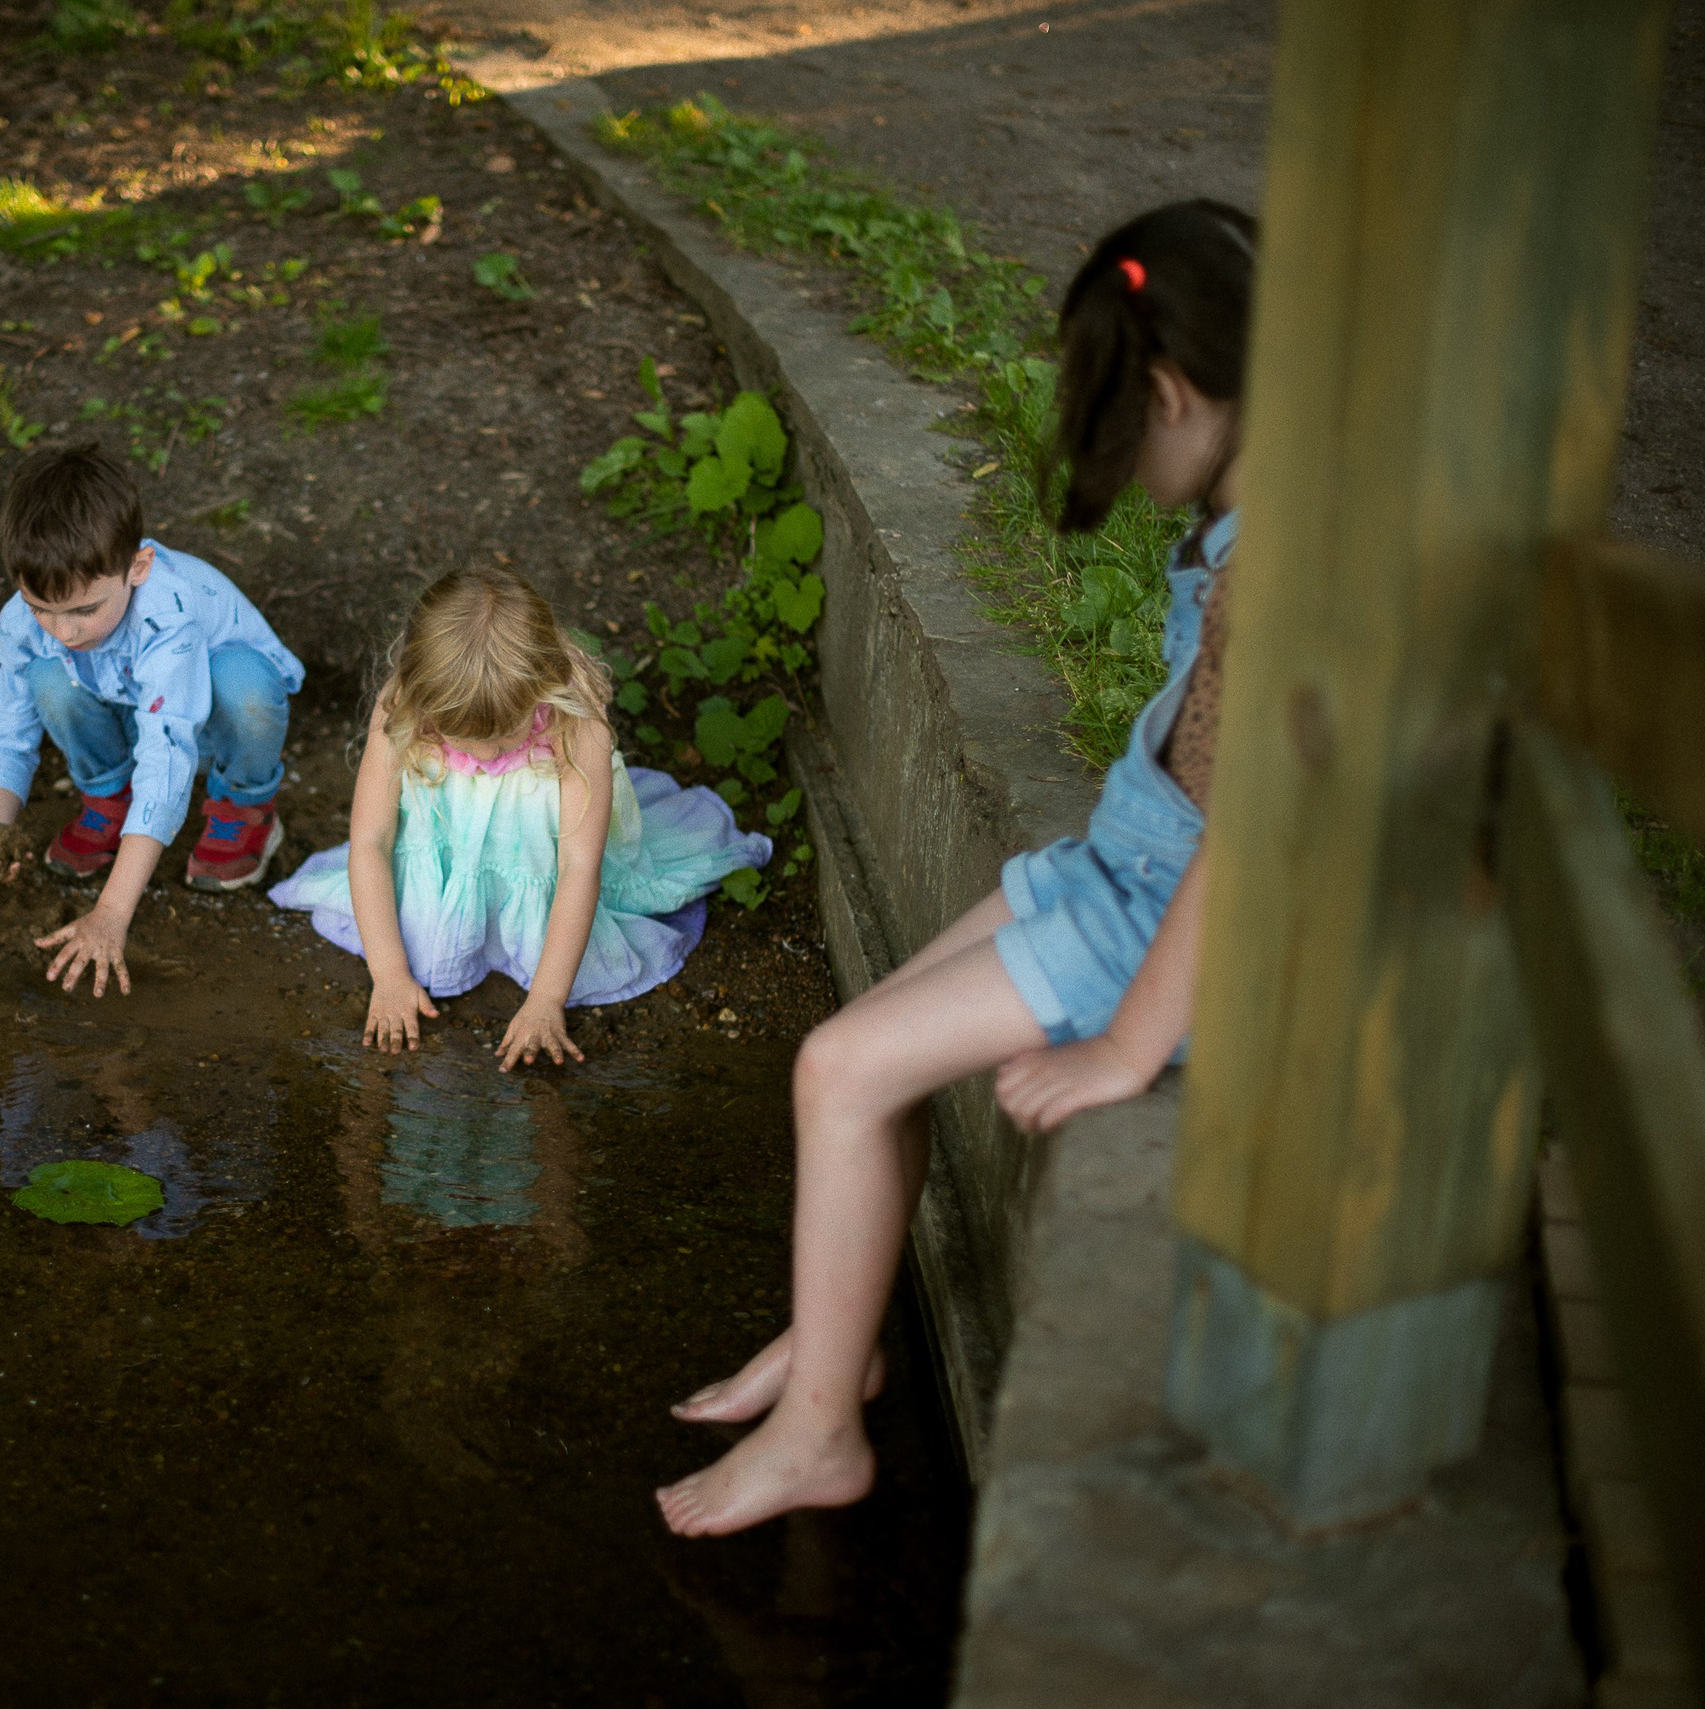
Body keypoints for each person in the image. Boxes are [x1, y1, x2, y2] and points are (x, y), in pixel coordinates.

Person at [656, 199, 1259, 1536]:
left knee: (840, 1072)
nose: (1121, 461)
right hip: (1124, 868)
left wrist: (1125, 1051)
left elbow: (1257, 838)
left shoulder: (1278, 576)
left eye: (1116, 424)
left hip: (1162, 922)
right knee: (856, 1042)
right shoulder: (1272, 510)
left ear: (1168, 390)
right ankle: (835, 1348)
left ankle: (821, 1434)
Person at [268, 566, 770, 1072]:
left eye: (504, 737)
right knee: (406, 940)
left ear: (543, 684)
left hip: (540, 861)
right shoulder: (404, 706)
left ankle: (523, 933)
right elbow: (371, 840)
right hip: (448, 856)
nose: (486, 754)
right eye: (462, 737)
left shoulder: (575, 726)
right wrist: (391, 974)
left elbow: (578, 867)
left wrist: (547, 1000)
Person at [0, 442, 304, 996]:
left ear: (138, 566)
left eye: (83, 609)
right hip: (127, 697)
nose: (64, 630)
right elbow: (10, 729)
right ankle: (109, 798)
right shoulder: (28, 625)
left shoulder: (166, 613)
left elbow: (166, 750)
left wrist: (112, 913)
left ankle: (244, 806)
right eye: (40, 607)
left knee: (244, 687)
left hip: (214, 707)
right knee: (46, 675)